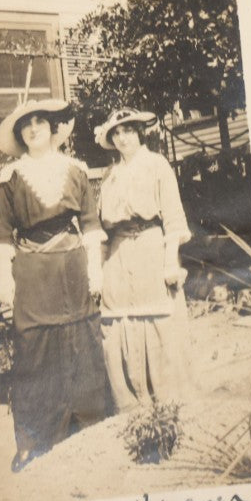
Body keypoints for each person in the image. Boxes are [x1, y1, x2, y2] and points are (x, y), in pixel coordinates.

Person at [0, 98, 113, 472]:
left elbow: (90, 224)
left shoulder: (75, 170)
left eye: (40, 121)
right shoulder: (10, 178)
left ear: (52, 128)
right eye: (25, 124)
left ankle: (89, 425)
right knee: (33, 348)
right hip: (32, 271)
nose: (33, 128)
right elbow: (1, 233)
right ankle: (33, 438)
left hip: (71, 267)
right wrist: (5, 283)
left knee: (81, 341)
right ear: (20, 135)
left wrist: (95, 271)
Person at [93, 107, 193, 408]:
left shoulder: (156, 164)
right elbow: (101, 227)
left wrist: (170, 260)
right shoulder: (110, 175)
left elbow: (173, 216)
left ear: (139, 132)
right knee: (119, 321)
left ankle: (169, 399)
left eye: (128, 130)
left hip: (151, 245)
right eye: (117, 133)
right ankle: (132, 403)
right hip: (119, 253)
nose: (123, 138)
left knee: (157, 317)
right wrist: (99, 269)